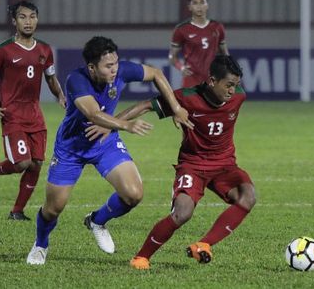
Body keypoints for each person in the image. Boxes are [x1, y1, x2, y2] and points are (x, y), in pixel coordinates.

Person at [26, 36, 194, 265]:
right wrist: (126, 124)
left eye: (115, 63)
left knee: (133, 194)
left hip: (104, 144)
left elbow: (156, 73)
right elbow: (93, 114)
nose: (114, 69)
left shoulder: (121, 71)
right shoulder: (76, 80)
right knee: (53, 208)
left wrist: (176, 107)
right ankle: (41, 244)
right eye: (108, 66)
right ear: (92, 67)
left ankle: (97, 220)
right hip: (71, 149)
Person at [124, 54, 255, 270]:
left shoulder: (239, 97)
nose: (233, 91)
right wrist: (112, 124)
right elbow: (146, 106)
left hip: (225, 165)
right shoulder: (186, 99)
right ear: (212, 81)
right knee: (182, 212)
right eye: (229, 85)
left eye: (236, 85)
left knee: (248, 196)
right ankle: (141, 257)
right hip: (192, 165)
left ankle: (203, 244)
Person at [0, 0, 66, 221]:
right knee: (21, 163)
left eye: (32, 16)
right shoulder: (3, 50)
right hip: (12, 114)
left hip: (35, 115)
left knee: (36, 163)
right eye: (23, 17)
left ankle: (17, 211)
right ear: (14, 21)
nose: (29, 21)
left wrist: (61, 96)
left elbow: (51, 78)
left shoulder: (45, 50)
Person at [169, 0, 229, 88]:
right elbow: (172, 57)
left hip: (212, 80)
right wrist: (182, 68)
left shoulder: (217, 27)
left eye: (202, 2)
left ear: (207, 5)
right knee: (187, 104)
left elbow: (225, 54)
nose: (199, 6)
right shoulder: (181, 29)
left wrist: (228, 71)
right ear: (190, 7)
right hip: (191, 79)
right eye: (195, 3)